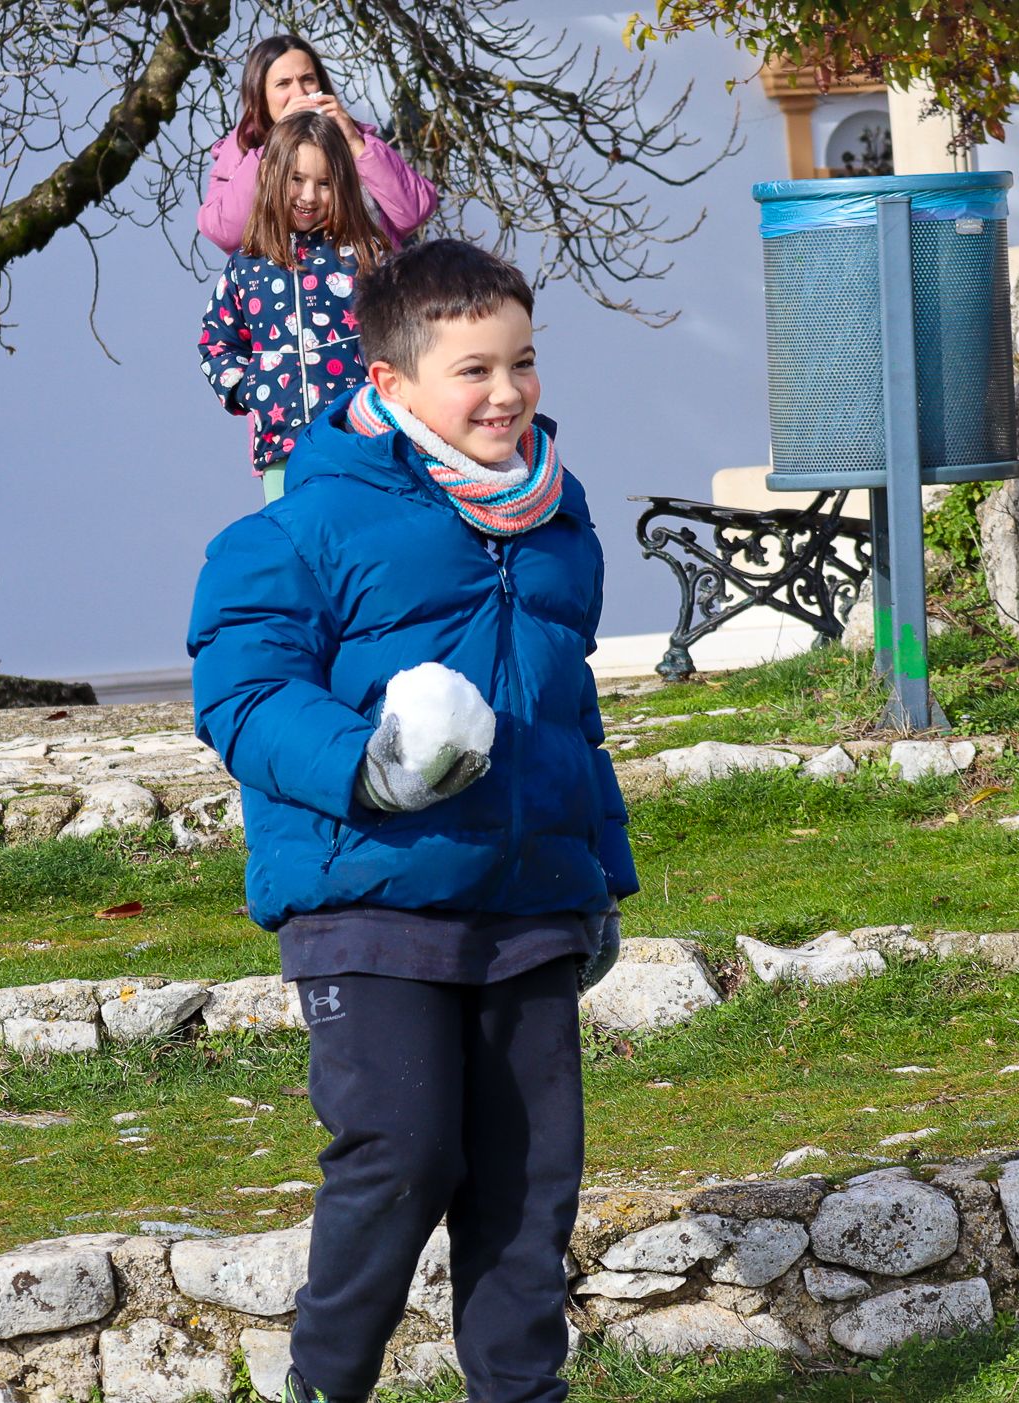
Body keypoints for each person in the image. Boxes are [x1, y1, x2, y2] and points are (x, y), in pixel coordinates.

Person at [188, 239, 637, 1403]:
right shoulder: (301, 525)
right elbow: (241, 693)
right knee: (402, 1153)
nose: (507, 392)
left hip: (529, 899)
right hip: (368, 895)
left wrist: (599, 876)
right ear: (388, 386)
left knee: (530, 1184)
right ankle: (324, 1385)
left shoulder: (554, 514)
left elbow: (564, 711)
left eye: (522, 361)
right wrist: (367, 769)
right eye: (473, 370)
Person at [197, 111, 395, 502]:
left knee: (358, 538)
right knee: (295, 546)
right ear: (272, 175)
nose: (308, 196)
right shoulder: (246, 265)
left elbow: (404, 334)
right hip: (280, 448)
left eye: (324, 183)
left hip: (359, 437)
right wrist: (245, 387)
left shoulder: (366, 258)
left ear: (343, 184)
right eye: (297, 179)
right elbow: (216, 340)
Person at [197, 34, 439, 255]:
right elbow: (225, 234)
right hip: (280, 296)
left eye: (307, 79)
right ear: (260, 95)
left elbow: (413, 212)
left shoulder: (357, 142)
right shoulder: (240, 152)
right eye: (283, 83)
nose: (299, 92)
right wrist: (277, 144)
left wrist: (354, 141)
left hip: (366, 294)